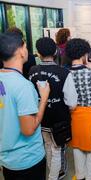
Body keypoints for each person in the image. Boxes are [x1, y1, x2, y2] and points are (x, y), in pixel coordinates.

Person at [0, 32, 50, 180]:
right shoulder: (23, 86)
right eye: (26, 46)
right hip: (27, 160)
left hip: (7, 160)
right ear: (20, 51)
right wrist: (44, 98)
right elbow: (28, 130)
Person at [28, 37, 78, 180]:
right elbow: (72, 103)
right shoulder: (64, 73)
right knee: (57, 150)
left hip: (40, 118)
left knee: (48, 146)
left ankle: (54, 172)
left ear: (38, 53)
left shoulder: (32, 71)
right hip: (59, 120)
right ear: (56, 51)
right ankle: (54, 176)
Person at [65, 38, 91, 180]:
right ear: (84, 55)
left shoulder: (66, 73)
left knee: (77, 148)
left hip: (75, 115)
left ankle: (80, 175)